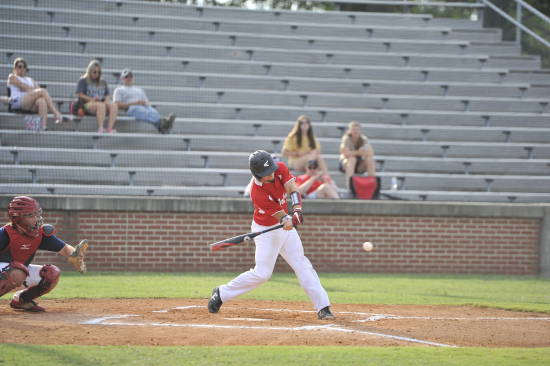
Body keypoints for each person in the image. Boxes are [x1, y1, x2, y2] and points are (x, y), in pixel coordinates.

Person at [208, 150, 335, 320]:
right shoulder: (257, 193)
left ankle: (323, 307)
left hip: (284, 226)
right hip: (266, 230)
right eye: (267, 174)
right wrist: (288, 219)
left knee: (301, 263)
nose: (273, 174)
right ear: (258, 175)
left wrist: (297, 210)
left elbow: (293, 189)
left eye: (272, 170)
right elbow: (282, 219)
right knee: (262, 274)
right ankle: (222, 293)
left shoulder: (279, 168)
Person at [0, 196, 88, 312]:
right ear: (17, 218)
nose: (36, 219)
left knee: (51, 273)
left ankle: (22, 300)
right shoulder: (4, 234)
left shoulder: (39, 234)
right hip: (8, 273)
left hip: (17, 273)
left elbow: (65, 248)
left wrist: (75, 255)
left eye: (36, 214)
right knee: (18, 271)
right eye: (31, 215)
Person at [7, 58, 67, 130]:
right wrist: (33, 90)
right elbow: (23, 87)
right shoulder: (12, 77)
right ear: (15, 68)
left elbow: (35, 90)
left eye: (24, 67)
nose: (22, 69)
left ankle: (43, 126)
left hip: (29, 104)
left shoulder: (30, 79)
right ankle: (57, 114)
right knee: (42, 91)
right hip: (17, 102)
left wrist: (32, 90)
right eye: (19, 67)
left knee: (42, 100)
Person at [113, 69, 175, 134]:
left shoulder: (139, 89)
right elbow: (117, 104)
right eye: (126, 77)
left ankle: (162, 127)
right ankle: (164, 124)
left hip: (143, 107)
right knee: (140, 110)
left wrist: (145, 103)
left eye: (130, 76)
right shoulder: (119, 90)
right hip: (130, 108)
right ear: (122, 78)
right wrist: (135, 103)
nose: (129, 78)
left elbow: (146, 101)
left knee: (153, 111)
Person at [76, 60, 118, 133]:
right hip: (86, 105)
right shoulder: (83, 80)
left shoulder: (103, 81)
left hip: (101, 103)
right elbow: (80, 94)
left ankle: (109, 129)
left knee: (114, 105)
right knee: (101, 105)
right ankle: (100, 128)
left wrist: (106, 100)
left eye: (99, 72)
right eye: (94, 72)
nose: (97, 74)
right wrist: (92, 99)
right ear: (90, 71)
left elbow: (107, 95)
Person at [339, 121, 377, 190]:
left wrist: (357, 153)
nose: (355, 132)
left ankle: (372, 184)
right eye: (353, 129)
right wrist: (359, 152)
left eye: (357, 129)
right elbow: (345, 153)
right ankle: (350, 186)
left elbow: (371, 152)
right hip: (346, 163)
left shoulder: (363, 139)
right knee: (352, 159)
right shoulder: (346, 139)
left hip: (359, 164)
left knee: (369, 159)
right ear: (349, 130)